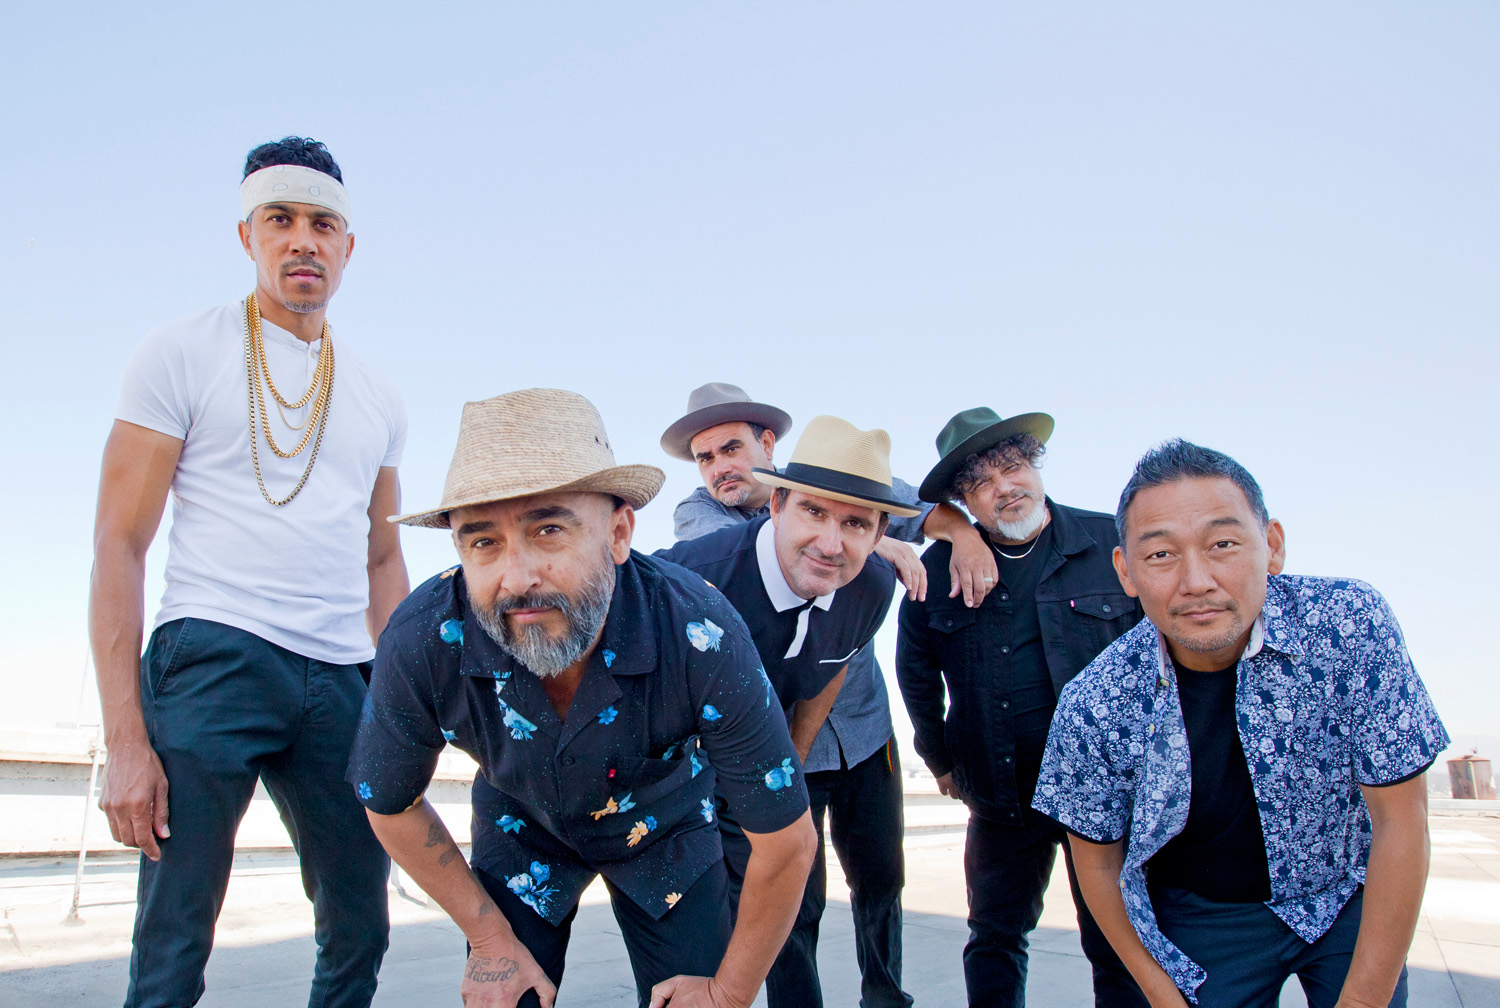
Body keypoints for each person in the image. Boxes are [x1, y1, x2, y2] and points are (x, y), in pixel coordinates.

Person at [350, 388, 817, 1008]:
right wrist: (489, 939)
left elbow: (787, 843)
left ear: (620, 531)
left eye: (548, 529)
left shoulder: (700, 632)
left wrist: (730, 993)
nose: (516, 579)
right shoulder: (422, 638)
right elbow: (387, 801)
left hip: (665, 824)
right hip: (522, 821)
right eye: (482, 541)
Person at [89, 137, 407, 1008]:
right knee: (174, 936)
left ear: (348, 246)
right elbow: (119, 543)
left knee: (362, 923)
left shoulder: (380, 395)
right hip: (214, 653)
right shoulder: (180, 352)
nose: (303, 240)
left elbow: (382, 556)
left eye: (323, 223)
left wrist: (409, 696)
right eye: (282, 220)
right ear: (247, 236)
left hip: (345, 675)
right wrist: (125, 742)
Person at [1033, 439, 1449, 1008]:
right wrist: (1161, 993)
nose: (1196, 580)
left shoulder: (1349, 624)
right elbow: (1098, 867)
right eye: (1160, 556)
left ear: (1272, 546)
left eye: (1223, 544)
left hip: (1347, 892)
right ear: (1125, 571)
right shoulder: (1097, 700)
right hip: (1206, 913)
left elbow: (1403, 822)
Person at [659, 382, 995, 1008]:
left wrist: (962, 536)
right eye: (704, 459)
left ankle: (885, 997)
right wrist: (871, 540)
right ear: (785, 501)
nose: (719, 469)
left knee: (881, 880)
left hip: (864, 732)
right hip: (781, 743)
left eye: (730, 449)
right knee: (793, 893)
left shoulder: (845, 486)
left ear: (768, 445)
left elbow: (925, 507)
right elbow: (777, 544)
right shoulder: (700, 524)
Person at [894, 407, 1147, 1008]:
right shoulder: (936, 574)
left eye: (1012, 467)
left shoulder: (1112, 543)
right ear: (964, 504)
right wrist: (939, 758)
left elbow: (1167, 652)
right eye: (980, 482)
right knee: (995, 939)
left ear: (1036, 467)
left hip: (1110, 795)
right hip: (1001, 796)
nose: (1003, 487)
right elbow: (917, 677)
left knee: (1119, 943)